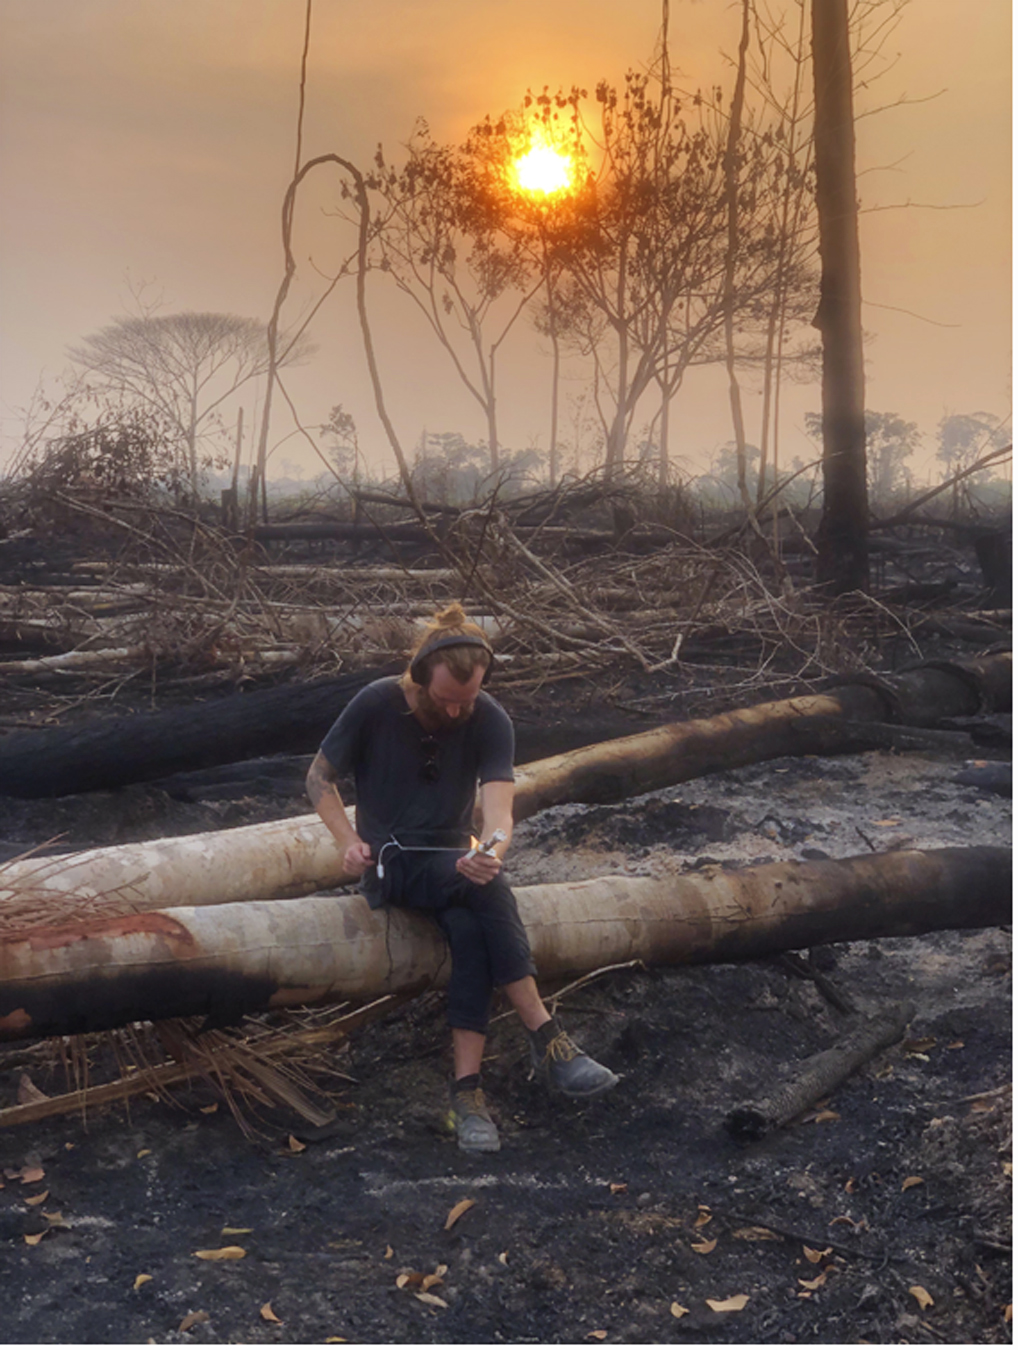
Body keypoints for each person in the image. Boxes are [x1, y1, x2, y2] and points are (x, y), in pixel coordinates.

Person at [305, 603, 619, 1153]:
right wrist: (345, 842)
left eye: (466, 701)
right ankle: (546, 1034)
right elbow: (317, 777)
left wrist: (492, 850)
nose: (455, 714)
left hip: (454, 866)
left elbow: (499, 814)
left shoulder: (490, 718)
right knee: (484, 890)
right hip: (394, 864)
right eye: (446, 700)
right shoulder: (376, 703)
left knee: (472, 930)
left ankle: (467, 1095)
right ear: (421, 677)